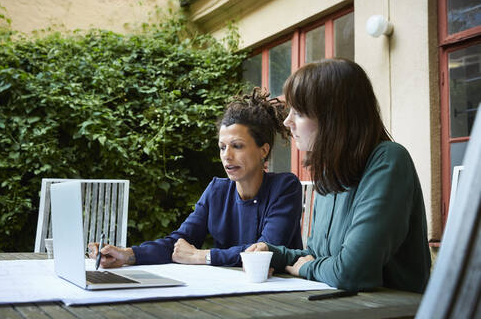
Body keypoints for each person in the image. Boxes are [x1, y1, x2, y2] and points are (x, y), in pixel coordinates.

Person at [246, 59, 431, 293]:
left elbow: (352, 272)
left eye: (299, 112)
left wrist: (307, 268)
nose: (287, 121)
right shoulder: (330, 173)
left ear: (333, 117)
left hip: (395, 311)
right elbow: (319, 257)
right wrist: (275, 254)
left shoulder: (388, 160)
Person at [89, 88, 303, 268]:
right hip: (229, 290)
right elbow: (179, 241)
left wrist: (201, 256)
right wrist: (128, 255)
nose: (227, 156)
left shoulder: (284, 187)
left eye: (237, 146)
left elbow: (264, 252)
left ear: (263, 150)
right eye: (222, 147)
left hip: (281, 294)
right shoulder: (217, 191)